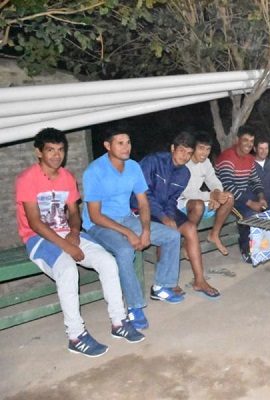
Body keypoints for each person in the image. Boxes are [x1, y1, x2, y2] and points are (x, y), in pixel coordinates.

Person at [15, 128, 144, 357]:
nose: (56, 155)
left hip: (67, 233)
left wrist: (74, 232)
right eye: (50, 150)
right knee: (67, 270)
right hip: (38, 239)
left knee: (107, 261)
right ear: (39, 152)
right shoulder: (27, 179)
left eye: (60, 150)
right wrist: (66, 246)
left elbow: (74, 212)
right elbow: (34, 223)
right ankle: (75, 336)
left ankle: (119, 322)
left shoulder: (66, 177)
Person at [83, 126, 184, 331]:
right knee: (124, 250)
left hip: (127, 218)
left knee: (172, 236)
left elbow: (143, 202)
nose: (126, 147)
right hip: (99, 224)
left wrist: (145, 229)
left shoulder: (133, 167)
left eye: (128, 142)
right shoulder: (94, 171)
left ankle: (162, 286)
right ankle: (134, 307)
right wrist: (129, 233)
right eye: (120, 143)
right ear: (107, 146)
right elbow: (95, 215)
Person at [133, 132, 220, 298]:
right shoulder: (153, 161)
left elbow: (172, 200)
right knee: (168, 230)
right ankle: (166, 281)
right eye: (181, 151)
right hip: (141, 208)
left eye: (189, 153)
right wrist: (164, 218)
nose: (185, 156)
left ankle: (199, 280)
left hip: (164, 209)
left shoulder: (184, 173)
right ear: (173, 148)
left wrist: (170, 216)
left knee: (190, 228)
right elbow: (144, 194)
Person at [178, 132, 235, 257]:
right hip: (181, 204)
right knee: (198, 205)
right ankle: (187, 243)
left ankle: (214, 235)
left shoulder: (206, 163)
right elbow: (186, 192)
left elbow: (214, 181)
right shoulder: (184, 163)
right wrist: (210, 196)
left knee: (229, 197)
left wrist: (217, 194)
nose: (204, 153)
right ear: (193, 148)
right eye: (201, 148)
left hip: (199, 201)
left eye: (208, 149)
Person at [215, 129, 266, 263]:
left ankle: (263, 246)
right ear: (237, 140)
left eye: (251, 141)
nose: (249, 144)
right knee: (248, 215)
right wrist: (251, 203)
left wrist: (261, 198)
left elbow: (255, 181)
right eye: (245, 140)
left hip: (243, 195)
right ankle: (246, 250)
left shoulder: (249, 158)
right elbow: (228, 187)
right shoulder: (227, 158)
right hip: (226, 200)